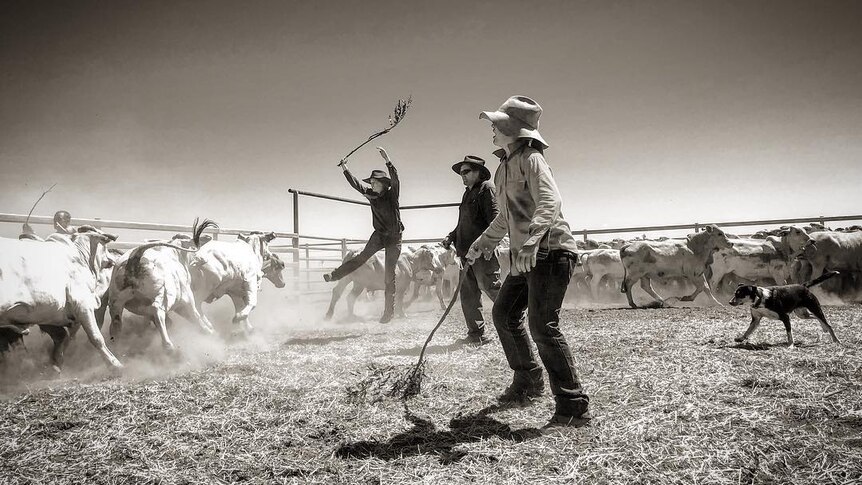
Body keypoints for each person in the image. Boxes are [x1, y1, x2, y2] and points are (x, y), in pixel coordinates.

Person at [466, 95, 591, 429]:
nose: (492, 128)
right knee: (504, 313)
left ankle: (573, 408)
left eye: (496, 124)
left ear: (512, 128)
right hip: (527, 254)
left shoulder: (533, 159)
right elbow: (505, 219)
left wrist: (533, 239)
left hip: (550, 250)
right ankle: (529, 380)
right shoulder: (504, 166)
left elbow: (551, 199)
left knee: (543, 326)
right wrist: (481, 244)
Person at [323, 147, 403, 324]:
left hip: (394, 238)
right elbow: (356, 184)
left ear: (383, 183)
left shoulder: (392, 195)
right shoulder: (371, 195)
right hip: (380, 234)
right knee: (361, 257)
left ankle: (388, 311)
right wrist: (345, 168)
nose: (372, 184)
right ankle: (335, 275)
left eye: (375, 182)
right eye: (372, 182)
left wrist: (388, 161)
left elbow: (396, 180)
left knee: (389, 274)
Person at [442, 155, 501, 345]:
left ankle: (514, 325)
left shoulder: (487, 189)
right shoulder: (467, 194)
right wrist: (451, 236)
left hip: (482, 252)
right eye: (461, 173)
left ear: (479, 173)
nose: (462, 176)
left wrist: (484, 245)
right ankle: (476, 334)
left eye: (466, 172)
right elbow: (463, 224)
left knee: (492, 289)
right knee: (468, 295)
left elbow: (495, 220)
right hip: (465, 253)